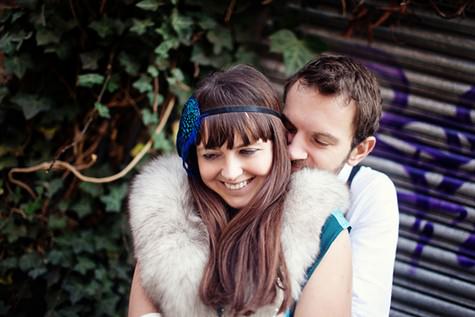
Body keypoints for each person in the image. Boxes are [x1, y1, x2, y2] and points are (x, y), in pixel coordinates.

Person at [127, 64, 352, 317]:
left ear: (276, 148)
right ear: (195, 160)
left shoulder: (323, 231)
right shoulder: (166, 219)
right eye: (211, 155)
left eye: (247, 151)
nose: (231, 172)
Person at [282, 54, 399, 317]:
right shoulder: (253, 163)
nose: (293, 151)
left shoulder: (369, 192)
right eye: (288, 127)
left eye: (320, 141)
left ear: (359, 150)